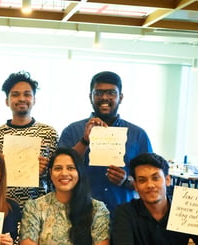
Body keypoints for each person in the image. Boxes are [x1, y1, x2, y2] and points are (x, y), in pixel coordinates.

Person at [59, 71, 152, 214]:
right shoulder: (72, 131)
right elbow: (59, 172)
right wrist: (84, 141)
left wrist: (126, 181)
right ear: (90, 97)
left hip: (123, 216)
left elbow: (150, 182)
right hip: (80, 214)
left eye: (111, 93)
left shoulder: (138, 135)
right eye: (98, 93)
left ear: (120, 97)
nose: (104, 98)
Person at [19, 147, 110, 245]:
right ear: (50, 174)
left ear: (79, 172)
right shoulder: (34, 207)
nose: (64, 173)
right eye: (58, 168)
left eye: (71, 168)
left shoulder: (97, 209)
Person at [0, 71, 58, 206]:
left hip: (39, 208)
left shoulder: (49, 133)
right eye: (15, 94)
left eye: (27, 94)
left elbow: (58, 174)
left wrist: (46, 169)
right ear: (7, 101)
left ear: (34, 99)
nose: (22, 99)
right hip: (3, 206)